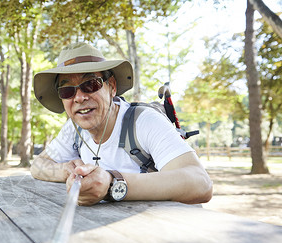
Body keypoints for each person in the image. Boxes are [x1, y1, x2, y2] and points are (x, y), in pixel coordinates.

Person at [31, 42, 212, 206]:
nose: (79, 97)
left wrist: (113, 184)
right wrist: (66, 170)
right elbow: (38, 165)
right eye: (67, 90)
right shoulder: (74, 129)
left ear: (112, 86)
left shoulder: (143, 121)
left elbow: (201, 183)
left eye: (91, 84)